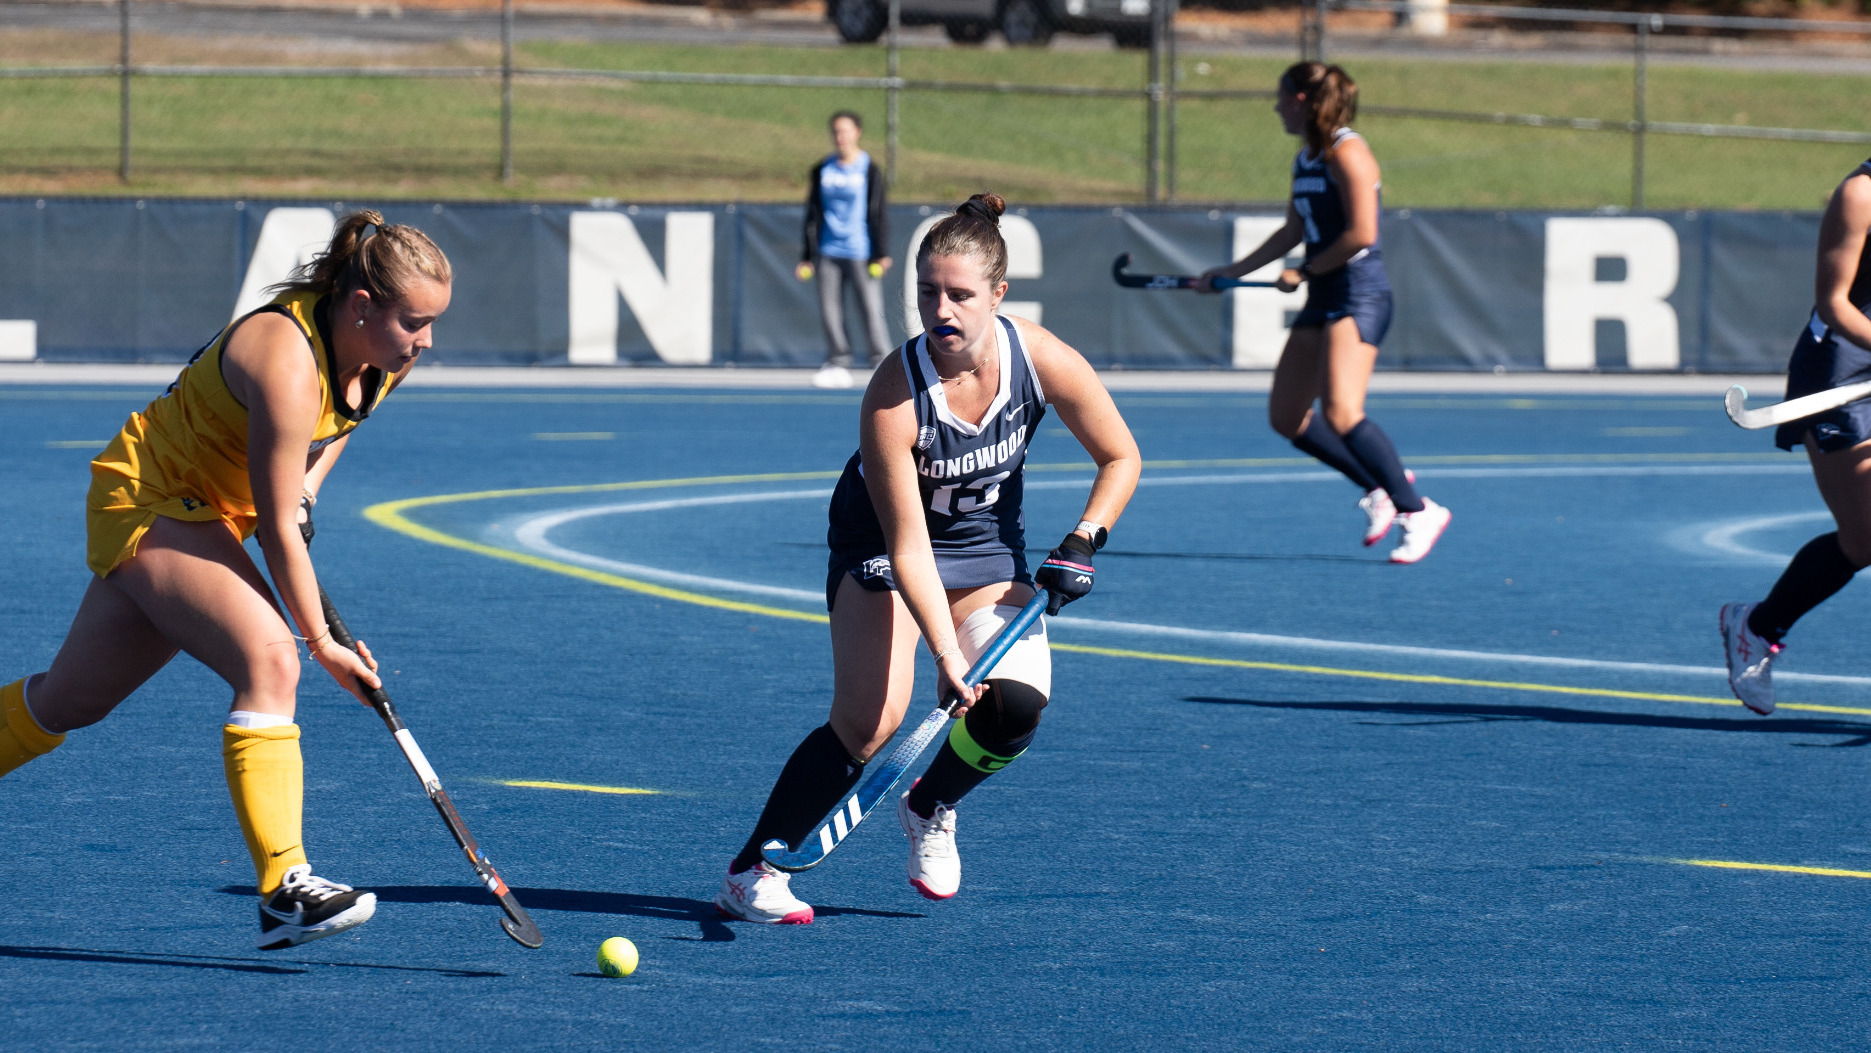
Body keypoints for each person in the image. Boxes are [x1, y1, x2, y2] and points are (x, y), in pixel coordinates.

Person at [0, 210, 452, 949]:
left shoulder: (384, 357)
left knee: (67, 701)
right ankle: (285, 887)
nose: (427, 340)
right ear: (362, 306)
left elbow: (328, 436)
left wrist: (306, 487)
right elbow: (277, 532)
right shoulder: (284, 355)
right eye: (415, 321)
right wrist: (322, 643)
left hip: (207, 515)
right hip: (147, 497)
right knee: (270, 656)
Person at [716, 193, 1141, 923]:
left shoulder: (1036, 356)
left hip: (983, 551)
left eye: (959, 295)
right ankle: (754, 867)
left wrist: (1082, 539)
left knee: (1013, 709)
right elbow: (909, 544)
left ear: (997, 296)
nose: (940, 310)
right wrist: (945, 652)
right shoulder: (893, 392)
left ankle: (930, 802)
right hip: (883, 546)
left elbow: (1119, 455)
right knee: (871, 718)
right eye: (926, 293)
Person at [1198, 62, 1450, 564]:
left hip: (1359, 294)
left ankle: (1418, 510)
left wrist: (1306, 271)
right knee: (1288, 417)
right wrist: (1231, 270)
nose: (1276, 107)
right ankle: (1379, 488)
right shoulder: (1307, 157)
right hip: (1323, 294)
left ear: (1304, 101)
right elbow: (1294, 229)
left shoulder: (1349, 152)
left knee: (1342, 412)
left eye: (1281, 98)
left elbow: (1362, 233)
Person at [1720, 161, 1871, 716]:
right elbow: (1836, 305)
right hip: (1843, 373)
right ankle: (1757, 626)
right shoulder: (1861, 194)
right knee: (1864, 540)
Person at [800, 110, 892, 390]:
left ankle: (882, 361)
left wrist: (881, 251)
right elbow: (812, 214)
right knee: (830, 310)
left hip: (861, 251)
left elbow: (878, 212)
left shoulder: (869, 169)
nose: (840, 137)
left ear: (857, 133)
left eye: (846, 131)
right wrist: (807, 255)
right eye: (836, 132)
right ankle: (838, 361)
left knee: (870, 308)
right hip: (828, 250)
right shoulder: (822, 170)